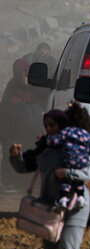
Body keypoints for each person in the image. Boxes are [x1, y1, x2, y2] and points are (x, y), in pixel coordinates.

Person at [9, 106, 90, 249]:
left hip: (75, 204)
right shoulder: (45, 148)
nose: (49, 129)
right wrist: (15, 156)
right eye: (46, 126)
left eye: (53, 125)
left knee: (67, 247)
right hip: (52, 208)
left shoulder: (79, 145)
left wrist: (67, 173)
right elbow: (25, 165)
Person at [0, 58, 44, 190]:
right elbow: (5, 107)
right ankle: (9, 181)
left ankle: (25, 182)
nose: (20, 74)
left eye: (22, 71)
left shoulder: (36, 86)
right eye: (17, 71)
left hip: (30, 128)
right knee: (10, 153)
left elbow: (41, 103)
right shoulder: (11, 85)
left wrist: (27, 85)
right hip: (11, 128)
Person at [46, 124, 90, 211]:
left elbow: (55, 140)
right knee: (79, 181)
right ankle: (81, 199)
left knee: (66, 180)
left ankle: (63, 199)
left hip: (69, 160)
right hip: (82, 162)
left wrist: (47, 138)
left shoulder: (67, 131)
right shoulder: (87, 134)